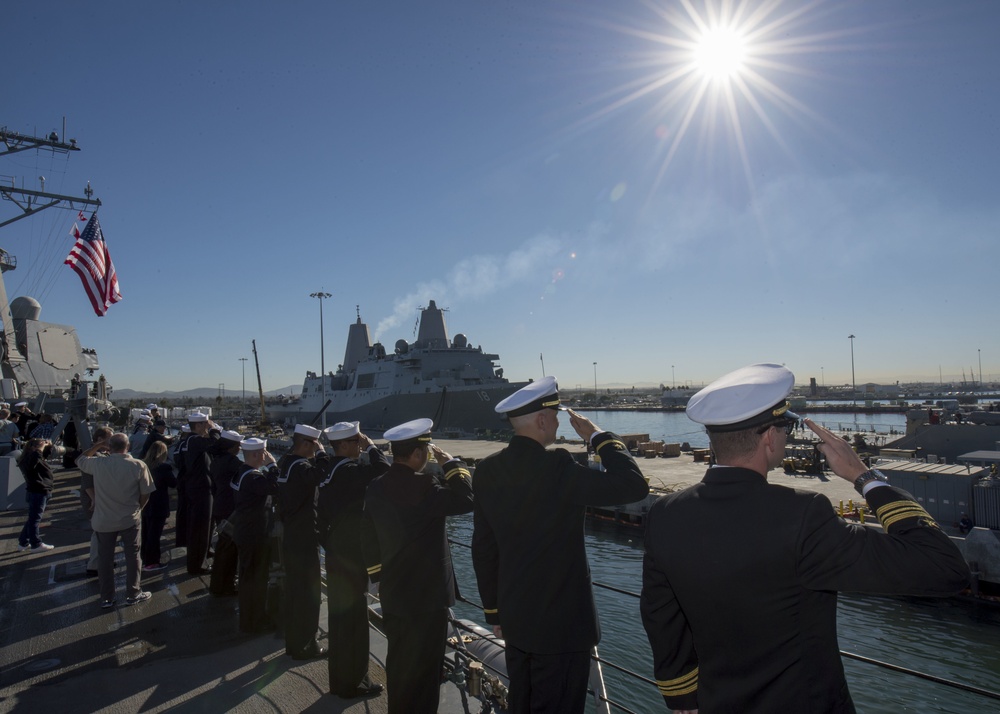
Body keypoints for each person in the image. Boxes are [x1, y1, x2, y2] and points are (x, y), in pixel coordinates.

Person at [640, 363, 970, 714]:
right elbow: (943, 567)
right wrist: (865, 476)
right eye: (787, 428)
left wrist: (681, 696)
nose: (787, 437)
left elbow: (661, 615)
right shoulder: (803, 514)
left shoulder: (665, 513)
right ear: (769, 436)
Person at [471, 376, 650, 714]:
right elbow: (632, 485)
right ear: (541, 420)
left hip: (515, 620)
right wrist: (599, 437)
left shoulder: (487, 471)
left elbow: (483, 549)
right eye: (554, 415)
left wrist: (494, 611)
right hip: (562, 629)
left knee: (522, 703)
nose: (556, 421)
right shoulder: (557, 467)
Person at [363, 418, 473, 714]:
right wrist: (452, 465)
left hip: (394, 593)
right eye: (425, 449)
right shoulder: (426, 486)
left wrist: (377, 576)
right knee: (426, 674)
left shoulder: (375, 486)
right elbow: (467, 499)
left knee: (399, 665)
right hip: (427, 599)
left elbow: (368, 536)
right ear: (416, 454)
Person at [318, 421, 389, 698]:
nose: (359, 447)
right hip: (351, 558)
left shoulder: (328, 470)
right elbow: (383, 471)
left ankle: (340, 682)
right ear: (344, 445)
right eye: (356, 442)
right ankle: (355, 683)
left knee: (339, 623)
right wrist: (372, 447)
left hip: (336, 553)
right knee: (354, 623)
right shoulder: (348, 472)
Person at [77, 432, 156, 609]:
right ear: (127, 447)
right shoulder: (138, 465)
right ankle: (133, 592)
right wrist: (139, 508)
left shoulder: (98, 464)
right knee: (133, 556)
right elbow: (146, 493)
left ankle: (107, 597)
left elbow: (80, 460)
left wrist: (98, 446)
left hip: (104, 519)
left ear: (109, 447)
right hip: (129, 517)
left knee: (104, 558)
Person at [275, 424, 329, 660]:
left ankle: (294, 642)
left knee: (296, 591)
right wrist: (323, 454)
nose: (316, 447)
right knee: (309, 593)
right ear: (307, 444)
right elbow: (321, 474)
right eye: (314, 444)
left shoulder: (286, 464)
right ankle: (307, 644)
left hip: (291, 534)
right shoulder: (300, 467)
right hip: (305, 535)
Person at [230, 437, 278, 634]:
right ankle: (254, 622)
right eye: (264, 453)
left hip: (245, 531)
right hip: (254, 535)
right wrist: (273, 465)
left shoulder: (241, 473)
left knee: (249, 578)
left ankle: (251, 619)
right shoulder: (253, 478)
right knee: (255, 580)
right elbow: (275, 487)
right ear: (258, 454)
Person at [183, 412, 221, 574]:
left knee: (205, 526)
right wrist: (214, 429)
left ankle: (203, 554)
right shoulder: (195, 440)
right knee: (201, 529)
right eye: (205, 424)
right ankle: (197, 565)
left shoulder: (190, 441)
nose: (207, 427)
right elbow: (216, 443)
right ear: (198, 425)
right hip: (201, 489)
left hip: (198, 487)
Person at [208, 430, 243, 596]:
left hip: (220, 505)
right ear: (231, 447)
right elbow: (249, 474)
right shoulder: (232, 462)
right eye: (238, 446)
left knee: (223, 548)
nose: (239, 448)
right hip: (231, 509)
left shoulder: (216, 461)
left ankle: (219, 583)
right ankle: (226, 585)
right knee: (230, 550)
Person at [81, 425, 114, 576]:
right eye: (109, 438)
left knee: (104, 532)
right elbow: (87, 483)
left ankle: (103, 559)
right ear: (100, 440)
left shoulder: (102, 455)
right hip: (96, 499)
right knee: (99, 533)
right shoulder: (93, 457)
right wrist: (94, 500)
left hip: (101, 498)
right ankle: (94, 564)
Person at [140, 441, 177, 570]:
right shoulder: (163, 468)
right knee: (154, 535)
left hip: (144, 504)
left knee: (145, 533)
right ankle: (152, 562)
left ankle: (144, 558)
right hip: (158, 505)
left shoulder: (143, 465)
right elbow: (173, 483)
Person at [17, 438, 56, 552]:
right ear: (33, 448)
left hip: (40, 491)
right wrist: (39, 447)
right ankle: (36, 544)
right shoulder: (30, 459)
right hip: (38, 491)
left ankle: (23, 542)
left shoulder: (34, 458)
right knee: (35, 519)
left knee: (32, 518)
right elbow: (35, 458)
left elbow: (44, 455)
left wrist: (48, 446)